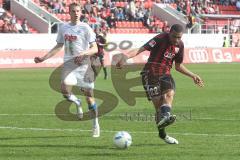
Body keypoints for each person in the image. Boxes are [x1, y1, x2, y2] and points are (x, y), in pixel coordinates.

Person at [116, 24, 204, 144]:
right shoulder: (160, 38)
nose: (176, 40)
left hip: (165, 74)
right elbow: (140, 49)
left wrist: (193, 75)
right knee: (158, 108)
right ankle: (162, 134)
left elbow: (178, 66)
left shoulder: (180, 45)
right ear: (169, 32)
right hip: (150, 73)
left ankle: (166, 116)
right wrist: (125, 57)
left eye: (179, 37)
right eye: (174, 37)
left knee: (169, 95)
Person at [34, 2, 100, 138]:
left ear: (81, 12)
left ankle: (95, 125)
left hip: (84, 66)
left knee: (90, 98)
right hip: (69, 65)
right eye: (73, 11)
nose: (76, 13)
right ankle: (77, 102)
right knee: (64, 89)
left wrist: (83, 54)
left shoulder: (86, 28)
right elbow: (58, 46)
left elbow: (95, 48)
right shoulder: (63, 28)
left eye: (78, 11)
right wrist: (43, 58)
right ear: (69, 12)